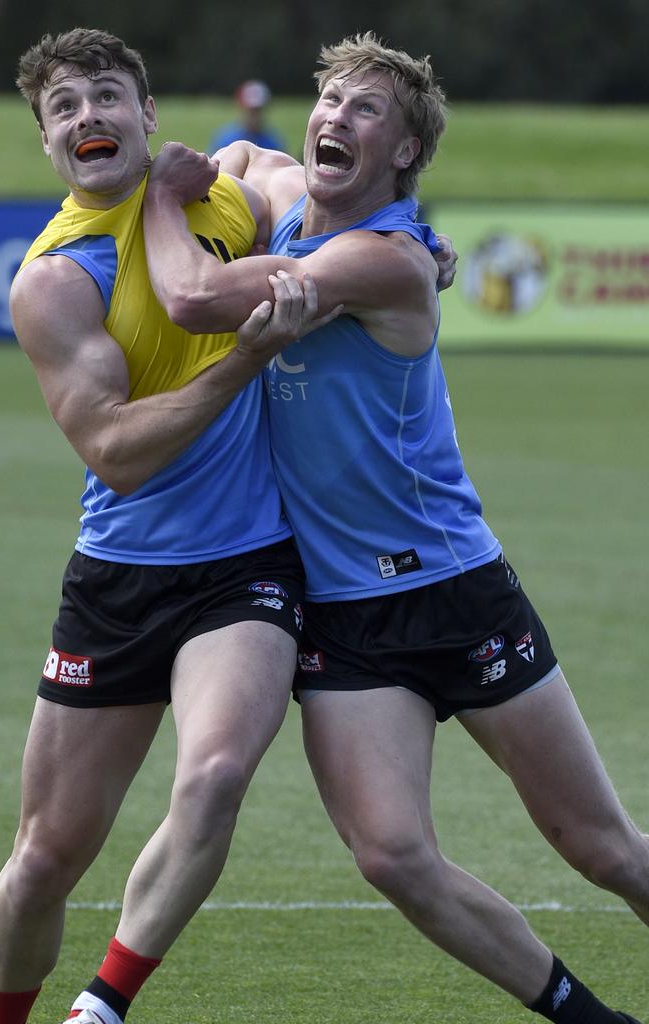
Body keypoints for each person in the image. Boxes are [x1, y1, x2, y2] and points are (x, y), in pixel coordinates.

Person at [142, 32, 648, 1024]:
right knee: (392, 856)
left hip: (456, 591)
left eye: (366, 111)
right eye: (330, 100)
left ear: (407, 153)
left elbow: (194, 297)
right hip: (344, 612)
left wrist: (163, 194)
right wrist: (226, 163)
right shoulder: (287, 198)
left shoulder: (386, 261)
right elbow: (247, 162)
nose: (336, 118)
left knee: (603, 849)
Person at [0, 26, 350, 1024]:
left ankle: (100, 1007)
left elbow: (324, 202)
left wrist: (411, 241)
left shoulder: (227, 182)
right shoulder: (55, 279)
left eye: (106, 95)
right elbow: (117, 452)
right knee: (45, 858)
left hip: (248, 568)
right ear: (48, 143)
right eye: (63, 107)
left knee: (219, 770)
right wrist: (243, 360)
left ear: (147, 115)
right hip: (121, 577)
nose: (87, 115)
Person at [208, 78, 286, 154]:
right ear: (241, 107)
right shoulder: (226, 139)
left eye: (258, 110)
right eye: (251, 110)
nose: (254, 115)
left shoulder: (273, 140)